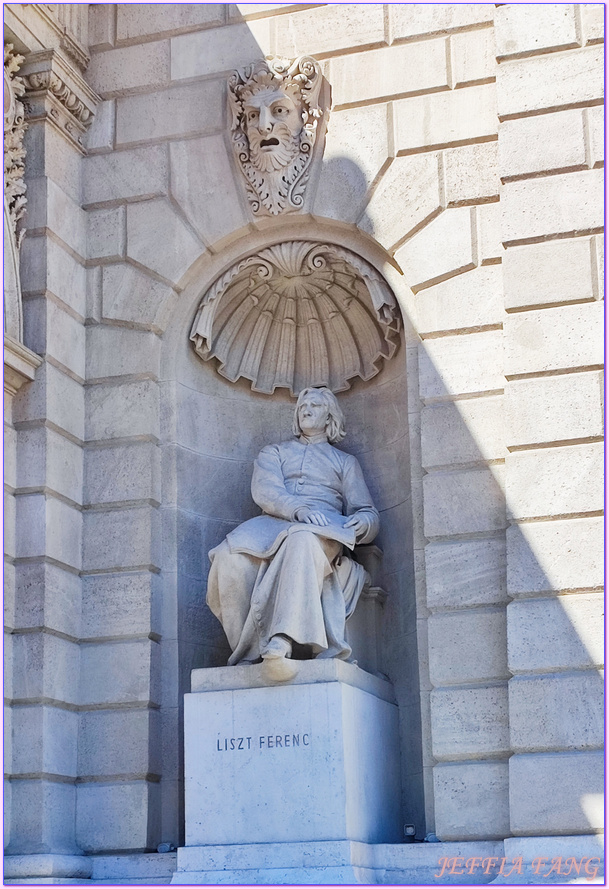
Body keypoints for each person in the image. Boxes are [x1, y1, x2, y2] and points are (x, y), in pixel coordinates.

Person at [206, 387, 380, 681]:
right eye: (302, 406)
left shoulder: (344, 462)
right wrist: (296, 508)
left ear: (329, 417)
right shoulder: (274, 452)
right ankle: (248, 654)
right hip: (273, 524)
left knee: (300, 540)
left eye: (314, 405)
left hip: (323, 529)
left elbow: (367, 511)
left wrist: (363, 523)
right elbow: (265, 489)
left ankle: (281, 642)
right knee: (227, 557)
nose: (306, 410)